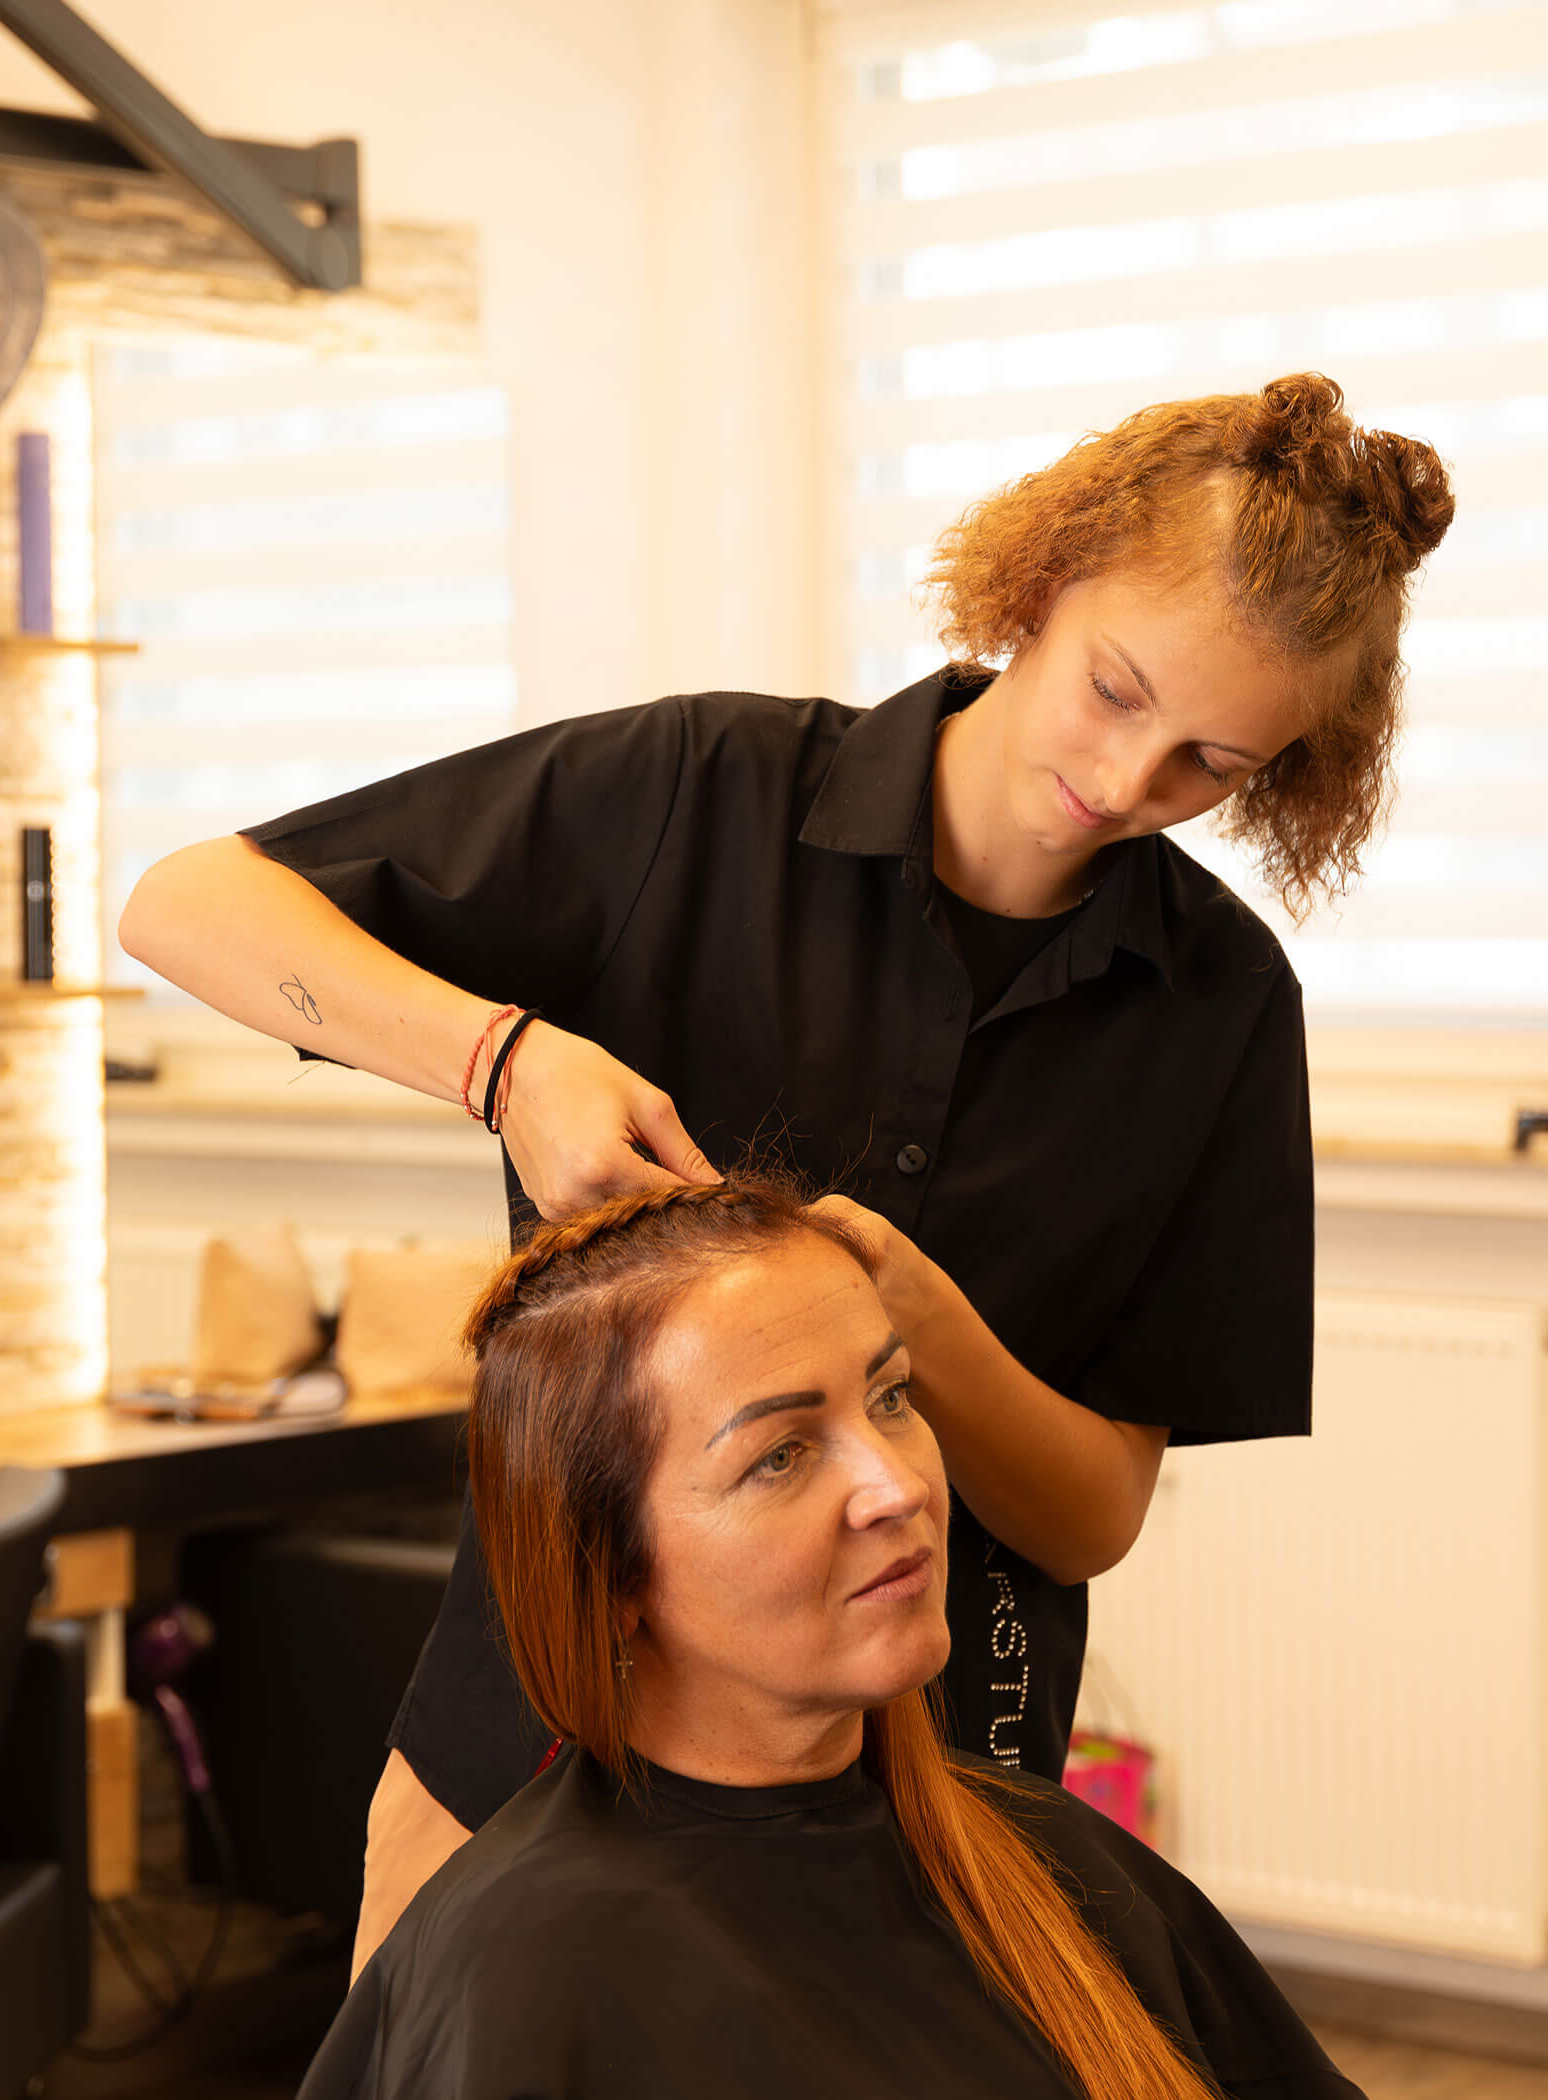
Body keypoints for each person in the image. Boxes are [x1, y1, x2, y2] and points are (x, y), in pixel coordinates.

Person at [117, 372, 1454, 1968]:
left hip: (936, 1783)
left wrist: (916, 1321)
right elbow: (188, 906)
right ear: (1040, 582)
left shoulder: (1217, 1009)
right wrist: (504, 1061)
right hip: (534, 1729)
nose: (1125, 780)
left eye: (1209, 767)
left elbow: (1092, 1515)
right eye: (1112, 690)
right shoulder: (691, 796)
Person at [298, 1176, 1364, 2100]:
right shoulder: (526, 1970)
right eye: (781, 1456)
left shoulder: (1042, 1863)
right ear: (613, 1571)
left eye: (892, 1397)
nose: (899, 1486)